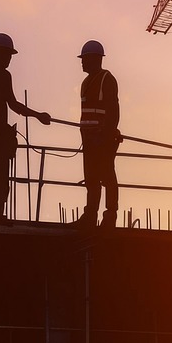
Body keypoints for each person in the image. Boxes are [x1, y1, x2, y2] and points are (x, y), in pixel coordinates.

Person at [0, 33, 51, 225]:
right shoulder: (0, 76)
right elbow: (12, 104)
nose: (10, 59)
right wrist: (37, 115)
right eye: (8, 55)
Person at [72, 40, 121, 228]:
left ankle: (110, 216)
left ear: (95, 59)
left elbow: (113, 111)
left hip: (103, 138)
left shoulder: (107, 79)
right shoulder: (85, 83)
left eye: (85, 59)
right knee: (91, 178)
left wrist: (108, 135)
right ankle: (90, 215)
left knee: (107, 176)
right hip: (89, 139)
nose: (82, 62)